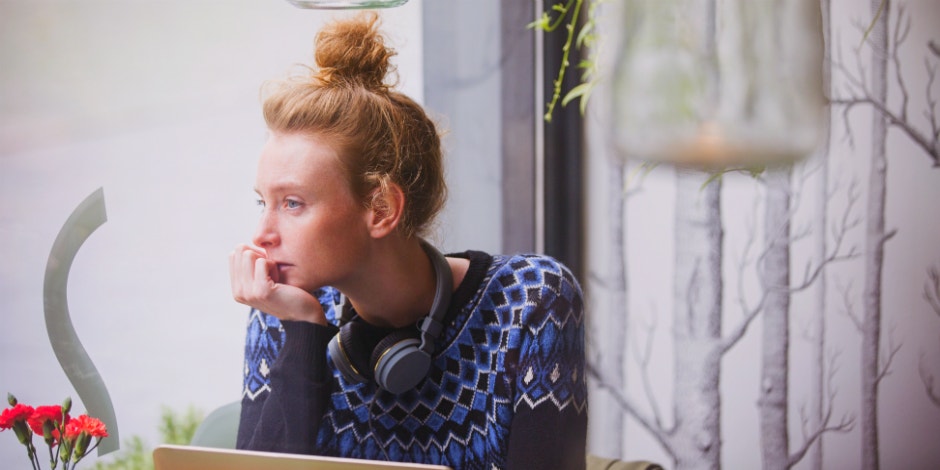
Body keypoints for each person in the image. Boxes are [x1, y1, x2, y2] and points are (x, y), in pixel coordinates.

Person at [229, 12, 587, 470]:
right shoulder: (283, 307)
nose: (262, 235)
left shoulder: (530, 302)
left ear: (380, 209)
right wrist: (302, 329)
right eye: (264, 202)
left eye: (293, 203)